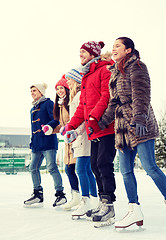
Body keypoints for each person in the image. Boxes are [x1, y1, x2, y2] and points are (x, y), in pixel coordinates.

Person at [98, 37, 166, 232]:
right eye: (113, 47)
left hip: (140, 124)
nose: (113, 49)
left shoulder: (137, 66)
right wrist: (103, 121)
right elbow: (114, 102)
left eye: (118, 46)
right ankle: (134, 210)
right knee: (125, 171)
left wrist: (139, 117)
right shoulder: (115, 72)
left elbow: (142, 94)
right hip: (122, 127)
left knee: (150, 167)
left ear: (129, 49)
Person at [63, 41, 116, 227]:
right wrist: (71, 125)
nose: (80, 55)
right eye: (79, 53)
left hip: (105, 126)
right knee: (94, 165)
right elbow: (82, 108)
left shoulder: (104, 69)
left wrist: (93, 117)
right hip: (93, 129)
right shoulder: (86, 76)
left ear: (93, 53)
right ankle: (102, 202)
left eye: (83, 52)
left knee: (103, 164)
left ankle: (109, 204)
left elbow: (106, 96)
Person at [24, 83, 67, 208]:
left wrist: (49, 126)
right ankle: (38, 194)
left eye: (34, 90)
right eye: (31, 91)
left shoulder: (48, 103)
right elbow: (33, 128)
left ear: (41, 92)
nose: (32, 93)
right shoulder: (32, 109)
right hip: (37, 144)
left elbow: (56, 119)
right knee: (33, 167)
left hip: (48, 141)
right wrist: (32, 142)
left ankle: (60, 194)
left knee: (51, 167)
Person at [63, 68, 99, 218]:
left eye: (69, 79)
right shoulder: (75, 97)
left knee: (81, 169)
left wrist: (75, 132)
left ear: (76, 80)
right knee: (86, 170)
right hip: (80, 137)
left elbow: (82, 118)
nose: (68, 82)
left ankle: (86, 201)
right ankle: (93, 200)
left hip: (83, 138)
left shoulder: (78, 96)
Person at [52, 76, 80, 210]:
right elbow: (61, 125)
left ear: (67, 89)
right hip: (67, 142)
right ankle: (76, 196)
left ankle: (85, 197)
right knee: (69, 170)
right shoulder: (60, 105)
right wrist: (51, 129)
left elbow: (74, 119)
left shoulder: (70, 102)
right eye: (57, 89)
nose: (59, 91)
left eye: (61, 88)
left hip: (76, 139)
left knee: (79, 169)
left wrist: (67, 128)